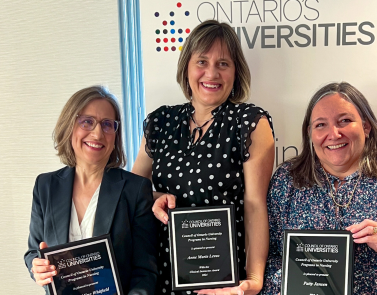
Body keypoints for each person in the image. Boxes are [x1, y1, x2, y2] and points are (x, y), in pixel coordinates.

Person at [132, 20, 275, 295]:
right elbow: (133, 190)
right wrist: (154, 197)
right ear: (186, 67)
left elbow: (255, 205)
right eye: (202, 61)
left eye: (223, 63)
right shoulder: (160, 121)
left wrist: (255, 279)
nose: (212, 73)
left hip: (223, 280)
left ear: (235, 72)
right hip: (163, 273)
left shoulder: (250, 122)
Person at [262, 82, 377, 294]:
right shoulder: (287, 180)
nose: (334, 134)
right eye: (321, 125)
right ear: (310, 133)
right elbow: (269, 258)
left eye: (344, 121)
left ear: (366, 126)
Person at [24, 86, 158, 295]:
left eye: (107, 124)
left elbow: (145, 272)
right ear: (69, 126)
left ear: (115, 135)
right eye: (87, 122)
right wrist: (37, 268)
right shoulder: (45, 186)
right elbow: (33, 252)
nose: (97, 133)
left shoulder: (135, 189)